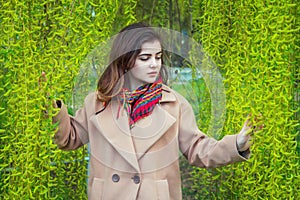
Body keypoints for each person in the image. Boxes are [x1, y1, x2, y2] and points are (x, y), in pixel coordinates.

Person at [52, 22, 256, 200]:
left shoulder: (174, 104)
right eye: (145, 58)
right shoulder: (97, 103)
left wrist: (235, 144)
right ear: (126, 60)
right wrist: (49, 106)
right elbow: (68, 138)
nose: (154, 64)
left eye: (158, 57)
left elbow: (197, 149)